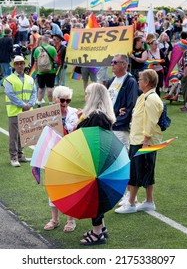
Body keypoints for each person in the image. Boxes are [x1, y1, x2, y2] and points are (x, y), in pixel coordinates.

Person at [115, 69, 163, 214]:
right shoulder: (144, 96)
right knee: (146, 170)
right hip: (138, 140)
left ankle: (131, 204)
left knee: (136, 172)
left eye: (140, 79)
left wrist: (146, 140)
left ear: (147, 82)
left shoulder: (151, 99)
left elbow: (150, 121)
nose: (138, 82)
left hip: (143, 142)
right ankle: (149, 201)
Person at [77, 83, 116, 246]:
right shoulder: (98, 115)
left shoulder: (97, 116)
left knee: (95, 196)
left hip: (95, 161)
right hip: (97, 160)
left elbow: (93, 139)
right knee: (97, 195)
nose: (85, 96)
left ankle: (97, 232)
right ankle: (102, 228)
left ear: (93, 96)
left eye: (87, 93)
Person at [106, 53, 139, 206]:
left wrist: (119, 120)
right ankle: (123, 192)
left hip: (120, 127)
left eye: (115, 62)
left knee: (124, 161)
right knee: (114, 161)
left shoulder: (130, 81)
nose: (112, 64)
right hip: (110, 124)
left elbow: (130, 105)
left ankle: (130, 194)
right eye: (112, 62)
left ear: (124, 64)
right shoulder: (111, 81)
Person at [44, 86, 78, 232]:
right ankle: (55, 219)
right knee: (53, 187)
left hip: (69, 155)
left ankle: (71, 220)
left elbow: (72, 133)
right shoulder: (46, 114)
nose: (65, 103)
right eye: (62, 100)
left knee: (69, 187)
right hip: (52, 155)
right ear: (55, 99)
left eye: (67, 100)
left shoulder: (75, 113)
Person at [3, 56, 37, 167]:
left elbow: (34, 93)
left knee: (23, 135)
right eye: (17, 64)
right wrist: (23, 105)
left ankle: (20, 155)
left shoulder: (30, 79)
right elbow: (10, 94)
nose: (19, 65)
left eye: (21, 63)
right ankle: (13, 157)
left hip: (27, 112)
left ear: (24, 64)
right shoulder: (9, 79)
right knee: (14, 136)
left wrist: (30, 104)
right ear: (14, 65)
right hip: (14, 111)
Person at [33, 34, 57, 107]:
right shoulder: (52, 48)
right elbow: (56, 60)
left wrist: (37, 72)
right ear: (48, 40)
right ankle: (50, 102)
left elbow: (35, 62)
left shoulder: (37, 49)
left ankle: (39, 102)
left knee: (40, 88)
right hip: (50, 71)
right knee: (50, 88)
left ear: (42, 41)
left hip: (40, 72)